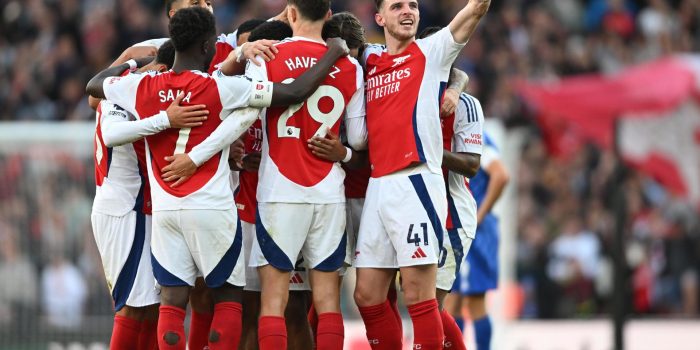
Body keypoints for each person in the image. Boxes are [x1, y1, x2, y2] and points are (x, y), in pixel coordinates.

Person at [85, 7, 349, 350]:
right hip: (213, 209)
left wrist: (133, 65)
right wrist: (332, 54)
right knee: (226, 298)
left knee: (173, 302)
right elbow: (295, 91)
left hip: (166, 212)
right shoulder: (220, 88)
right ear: (209, 46)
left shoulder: (142, 87)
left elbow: (94, 86)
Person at [351, 0, 491, 349]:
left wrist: (457, 86)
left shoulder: (430, 52)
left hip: (415, 182)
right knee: (367, 294)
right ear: (379, 18)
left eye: (413, 5)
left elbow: (475, 12)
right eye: (397, 6)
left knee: (418, 294)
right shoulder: (370, 57)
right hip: (378, 185)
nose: (407, 11)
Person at [245, 1, 366, 349]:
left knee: (274, 299)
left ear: (291, 13)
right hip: (328, 191)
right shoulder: (350, 66)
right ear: (328, 17)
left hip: (279, 191)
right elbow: (358, 140)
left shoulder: (267, 55)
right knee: (328, 301)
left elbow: (247, 114)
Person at [91, 40, 207, 350]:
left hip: (144, 209)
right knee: (132, 306)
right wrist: (166, 118)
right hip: (123, 210)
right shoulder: (123, 94)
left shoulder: (137, 93)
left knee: (152, 307)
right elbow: (112, 132)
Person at [232, 20, 314, 350]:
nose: (249, 57)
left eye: (254, 48)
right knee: (247, 313)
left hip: (288, 210)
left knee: (295, 311)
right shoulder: (234, 91)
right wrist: (232, 155)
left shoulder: (300, 90)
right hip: (244, 215)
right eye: (243, 50)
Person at [448, 133, 509, 350]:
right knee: (451, 302)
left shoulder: (476, 136)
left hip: (474, 232)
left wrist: (478, 215)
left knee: (473, 302)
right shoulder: (454, 133)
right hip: (458, 228)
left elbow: (501, 175)